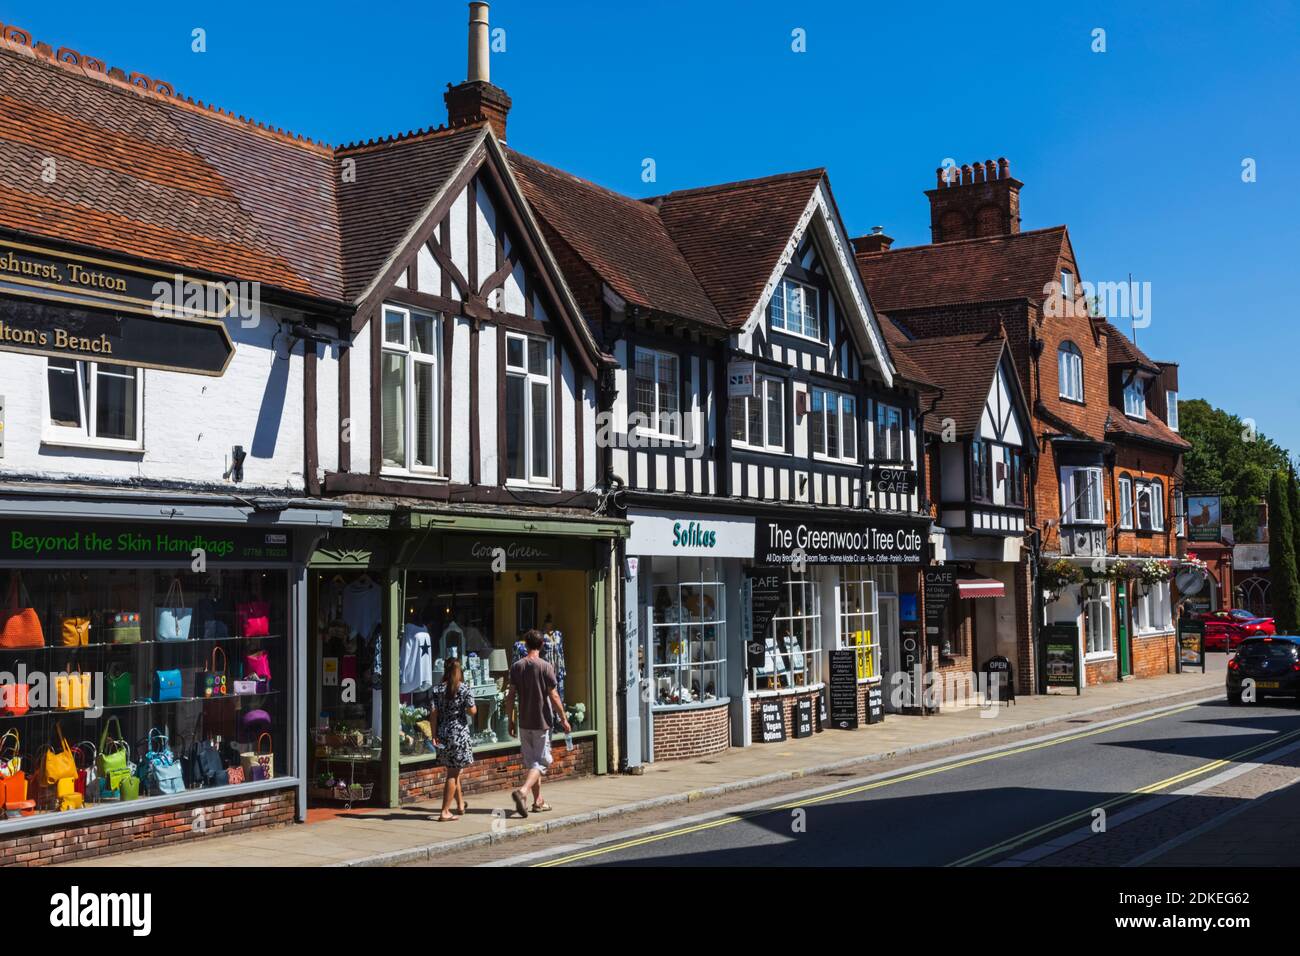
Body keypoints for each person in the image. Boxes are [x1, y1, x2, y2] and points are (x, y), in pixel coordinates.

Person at [503, 628, 570, 817]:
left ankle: (538, 802)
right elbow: (554, 695)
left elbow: (510, 697)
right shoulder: (545, 666)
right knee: (543, 762)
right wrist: (563, 718)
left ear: (526, 644)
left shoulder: (517, 666)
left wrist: (510, 720)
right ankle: (523, 792)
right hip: (542, 722)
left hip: (524, 722)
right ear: (541, 645)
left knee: (533, 763)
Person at [430, 658, 476, 822]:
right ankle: (445, 811)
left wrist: (433, 734)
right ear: (459, 671)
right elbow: (472, 711)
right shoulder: (463, 688)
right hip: (458, 734)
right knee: (452, 772)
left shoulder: (437, 690)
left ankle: (461, 805)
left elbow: (434, 714)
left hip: (443, 732)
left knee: (453, 769)